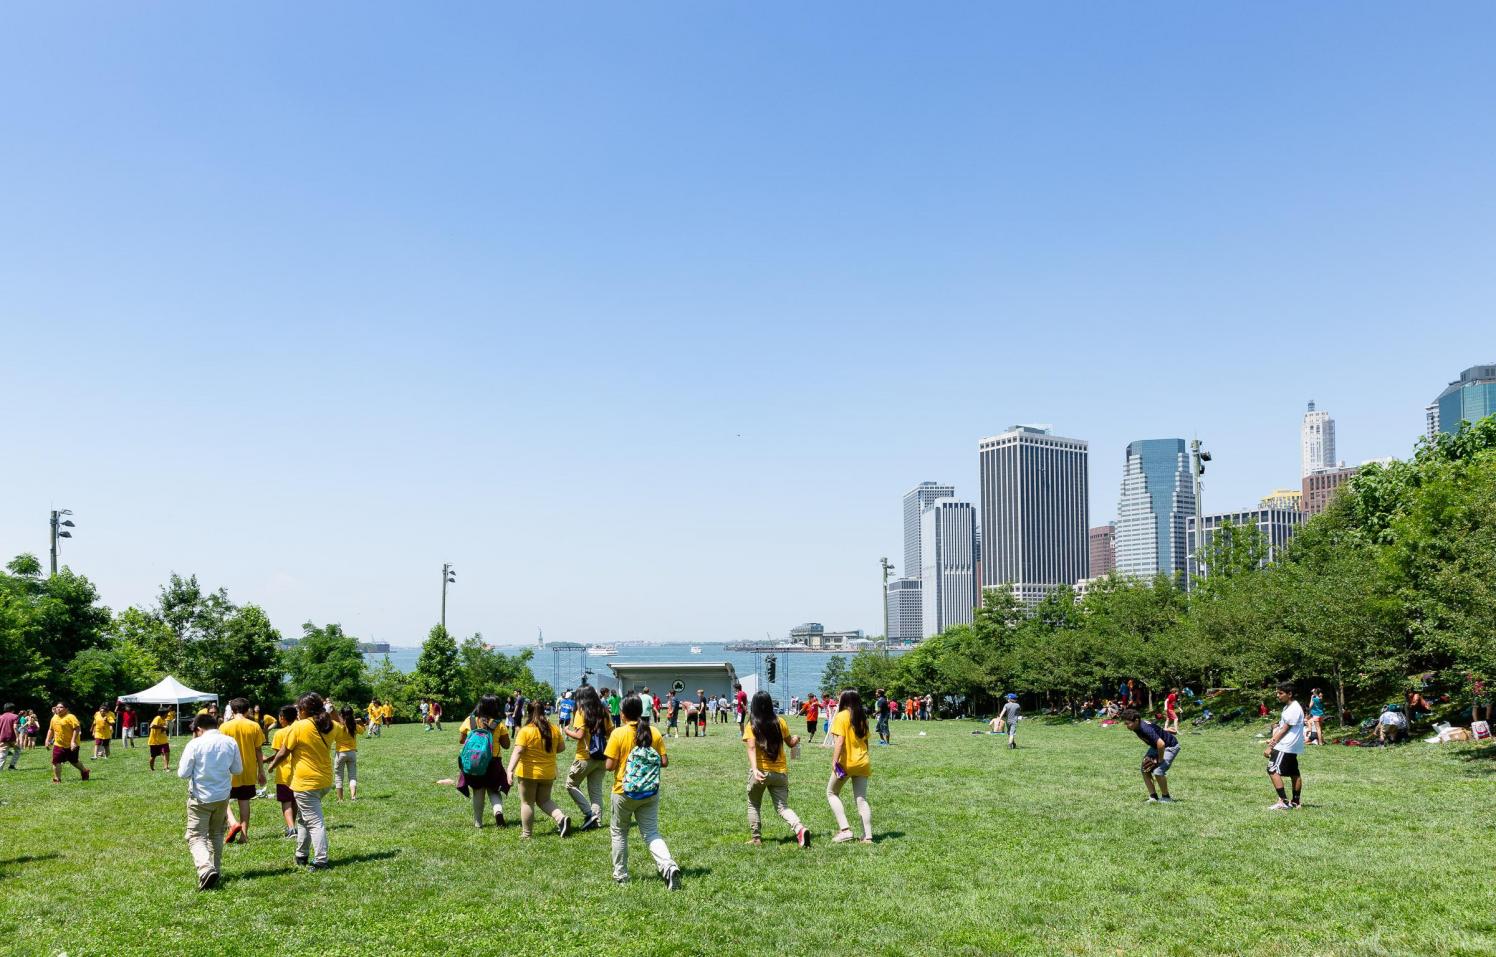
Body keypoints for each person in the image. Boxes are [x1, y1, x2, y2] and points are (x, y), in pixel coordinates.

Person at [604, 694, 681, 889]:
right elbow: (664, 762)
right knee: (651, 833)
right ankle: (668, 866)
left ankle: (621, 875)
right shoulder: (653, 732)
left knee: (619, 832)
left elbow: (609, 766)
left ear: (622, 714)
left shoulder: (618, 734)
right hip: (650, 791)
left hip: (623, 791)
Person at [265, 692, 336, 870]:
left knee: (314, 821)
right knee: (304, 818)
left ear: (304, 709)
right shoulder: (329, 725)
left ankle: (321, 860)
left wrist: (272, 765)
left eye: (299, 708)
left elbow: (284, 751)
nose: (297, 711)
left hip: (306, 782)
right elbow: (343, 725)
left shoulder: (299, 727)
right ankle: (301, 854)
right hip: (324, 780)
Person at [177, 711, 243, 891]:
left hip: (200, 798)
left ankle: (206, 869)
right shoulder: (230, 742)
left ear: (199, 729)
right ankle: (216, 870)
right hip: (222, 796)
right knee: (216, 834)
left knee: (195, 836)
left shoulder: (195, 744)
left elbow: (182, 773)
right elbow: (237, 769)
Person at [744, 690, 810, 848]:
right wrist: (797, 739)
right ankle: (799, 829)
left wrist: (754, 769)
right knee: (783, 807)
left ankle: (756, 838)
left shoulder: (752, 724)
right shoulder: (780, 721)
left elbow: (751, 748)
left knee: (754, 804)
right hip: (780, 772)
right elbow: (791, 743)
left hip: (761, 772)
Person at [506, 700, 571, 838]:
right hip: (548, 772)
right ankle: (561, 818)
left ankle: (526, 834)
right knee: (544, 800)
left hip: (528, 773)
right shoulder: (553, 729)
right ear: (544, 710)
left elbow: (518, 751)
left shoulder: (525, 731)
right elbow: (561, 748)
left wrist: (510, 770)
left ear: (528, 712)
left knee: (527, 802)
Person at [456, 693, 512, 828]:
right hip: (493, 762)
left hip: (475, 761)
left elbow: (461, 740)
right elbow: (506, 745)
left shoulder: (470, 720)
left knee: (478, 791)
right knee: (494, 790)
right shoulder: (499, 724)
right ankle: (498, 811)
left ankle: (478, 823)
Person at [562, 685, 612, 831]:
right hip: (602, 756)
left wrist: (567, 731)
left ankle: (590, 814)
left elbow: (579, 736)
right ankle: (597, 821)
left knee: (570, 785)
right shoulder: (604, 711)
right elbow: (611, 733)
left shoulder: (581, 712)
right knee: (595, 790)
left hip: (585, 756)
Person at [827, 689, 872, 844]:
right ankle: (867, 836)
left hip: (847, 763)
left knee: (831, 793)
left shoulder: (841, 716)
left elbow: (839, 741)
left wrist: (834, 761)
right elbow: (866, 743)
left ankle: (845, 830)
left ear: (844, 700)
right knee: (861, 799)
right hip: (863, 761)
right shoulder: (863, 718)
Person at [220, 697, 267, 844]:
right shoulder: (254, 726)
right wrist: (261, 771)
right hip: (248, 770)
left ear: (232, 710)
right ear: (247, 710)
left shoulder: (224, 727)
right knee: (244, 801)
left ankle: (232, 823)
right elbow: (258, 750)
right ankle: (244, 835)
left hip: (228, 770)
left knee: (223, 800)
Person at [1120, 708, 1179, 803]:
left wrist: (1159, 760)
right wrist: (1165, 730)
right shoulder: (1135, 726)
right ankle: (1153, 797)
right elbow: (1154, 729)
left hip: (1170, 746)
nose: (1127, 726)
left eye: (1127, 723)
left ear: (1136, 720)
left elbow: (1161, 744)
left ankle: (1166, 797)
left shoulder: (1144, 729)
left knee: (1158, 771)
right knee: (1145, 769)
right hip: (1156, 746)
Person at [1264, 682, 1305, 811]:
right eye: (1277, 693)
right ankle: (1296, 801)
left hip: (1286, 745)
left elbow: (1284, 730)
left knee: (1272, 769)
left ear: (1290, 694)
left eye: (1280, 693)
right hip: (1291, 745)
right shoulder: (1289, 707)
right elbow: (1281, 727)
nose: (1278, 695)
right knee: (1294, 773)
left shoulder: (1293, 708)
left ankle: (1283, 801)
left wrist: (1271, 745)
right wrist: (1273, 737)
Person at [269, 705, 298, 837]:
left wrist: (270, 764)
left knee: (286, 801)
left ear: (282, 718)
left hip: (284, 772)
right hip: (297, 771)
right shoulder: (299, 729)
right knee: (294, 800)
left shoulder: (279, 733)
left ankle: (291, 827)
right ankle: (293, 825)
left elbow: (278, 754)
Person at [46, 702, 89, 783]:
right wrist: (47, 740)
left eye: (61, 707)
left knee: (74, 761)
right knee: (56, 761)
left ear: (66, 709)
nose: (58, 709)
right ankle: (57, 779)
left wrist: (73, 742)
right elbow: (51, 729)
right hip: (58, 744)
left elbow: (77, 729)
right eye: (57, 707)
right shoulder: (54, 718)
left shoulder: (71, 717)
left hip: (71, 744)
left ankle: (84, 771)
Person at [330, 706, 360, 801]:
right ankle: (353, 797)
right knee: (352, 775)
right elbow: (363, 730)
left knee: (339, 776)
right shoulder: (354, 725)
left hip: (340, 753)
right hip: (352, 753)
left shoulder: (337, 725)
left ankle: (340, 799)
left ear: (341, 715)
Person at [0, 703, 20, 770]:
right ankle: (12, 766)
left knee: (3, 754)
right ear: (13, 709)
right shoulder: (15, 716)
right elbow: (15, 727)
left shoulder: (1, 717)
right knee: (17, 750)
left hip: (3, 738)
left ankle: (0, 768)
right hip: (13, 738)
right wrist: (17, 738)